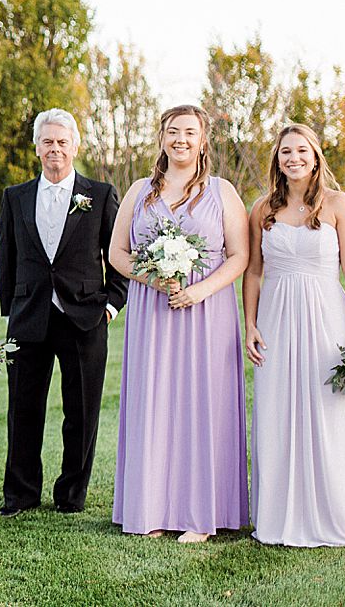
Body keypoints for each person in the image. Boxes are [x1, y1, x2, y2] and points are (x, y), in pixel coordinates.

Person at [244, 124, 345, 548]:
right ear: (277, 160)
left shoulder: (338, 205)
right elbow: (254, 271)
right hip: (276, 316)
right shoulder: (262, 209)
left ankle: (338, 509)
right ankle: (279, 514)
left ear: (315, 156)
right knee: (277, 406)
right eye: (284, 152)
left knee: (328, 407)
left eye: (300, 151)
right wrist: (251, 324)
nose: (292, 158)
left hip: (326, 316)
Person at [109, 105, 249, 543]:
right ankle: (151, 509)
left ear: (203, 139)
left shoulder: (224, 192)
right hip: (153, 309)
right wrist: (152, 277)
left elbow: (240, 256)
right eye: (173, 132)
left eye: (190, 132)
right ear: (162, 138)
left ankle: (199, 515)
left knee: (201, 404)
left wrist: (199, 291)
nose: (181, 140)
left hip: (207, 311)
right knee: (155, 402)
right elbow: (116, 254)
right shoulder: (138, 191)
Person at [0, 108, 128, 517]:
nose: (55, 148)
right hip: (30, 316)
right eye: (47, 141)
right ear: (37, 147)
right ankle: (20, 494)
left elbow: (118, 255)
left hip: (85, 316)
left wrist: (111, 304)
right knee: (23, 409)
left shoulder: (101, 195)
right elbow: (8, 256)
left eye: (62, 141)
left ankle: (71, 495)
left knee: (82, 411)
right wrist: (10, 310)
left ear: (75, 145)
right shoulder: (15, 196)